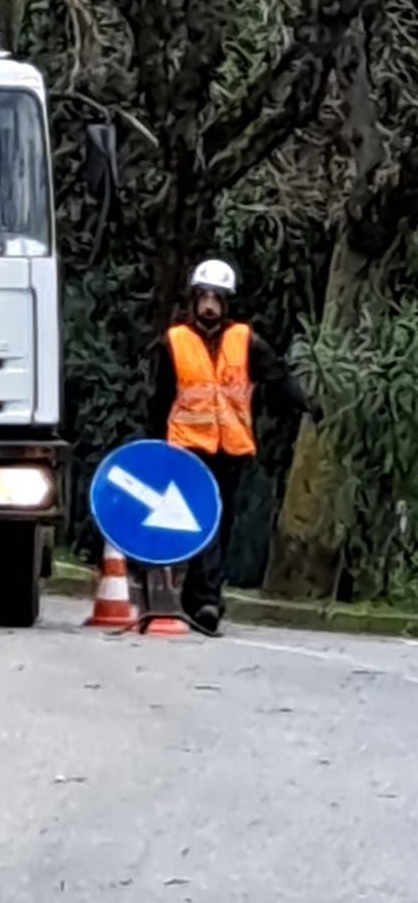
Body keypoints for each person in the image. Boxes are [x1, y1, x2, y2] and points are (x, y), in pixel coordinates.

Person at [149, 258, 317, 634]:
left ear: (227, 303)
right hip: (187, 449)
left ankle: (199, 599)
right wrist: (156, 447)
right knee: (204, 523)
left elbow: (277, 376)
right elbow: (160, 400)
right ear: (192, 300)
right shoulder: (174, 342)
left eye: (217, 298)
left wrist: (304, 403)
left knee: (220, 525)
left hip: (230, 449)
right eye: (203, 297)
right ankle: (207, 601)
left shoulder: (245, 341)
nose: (209, 305)